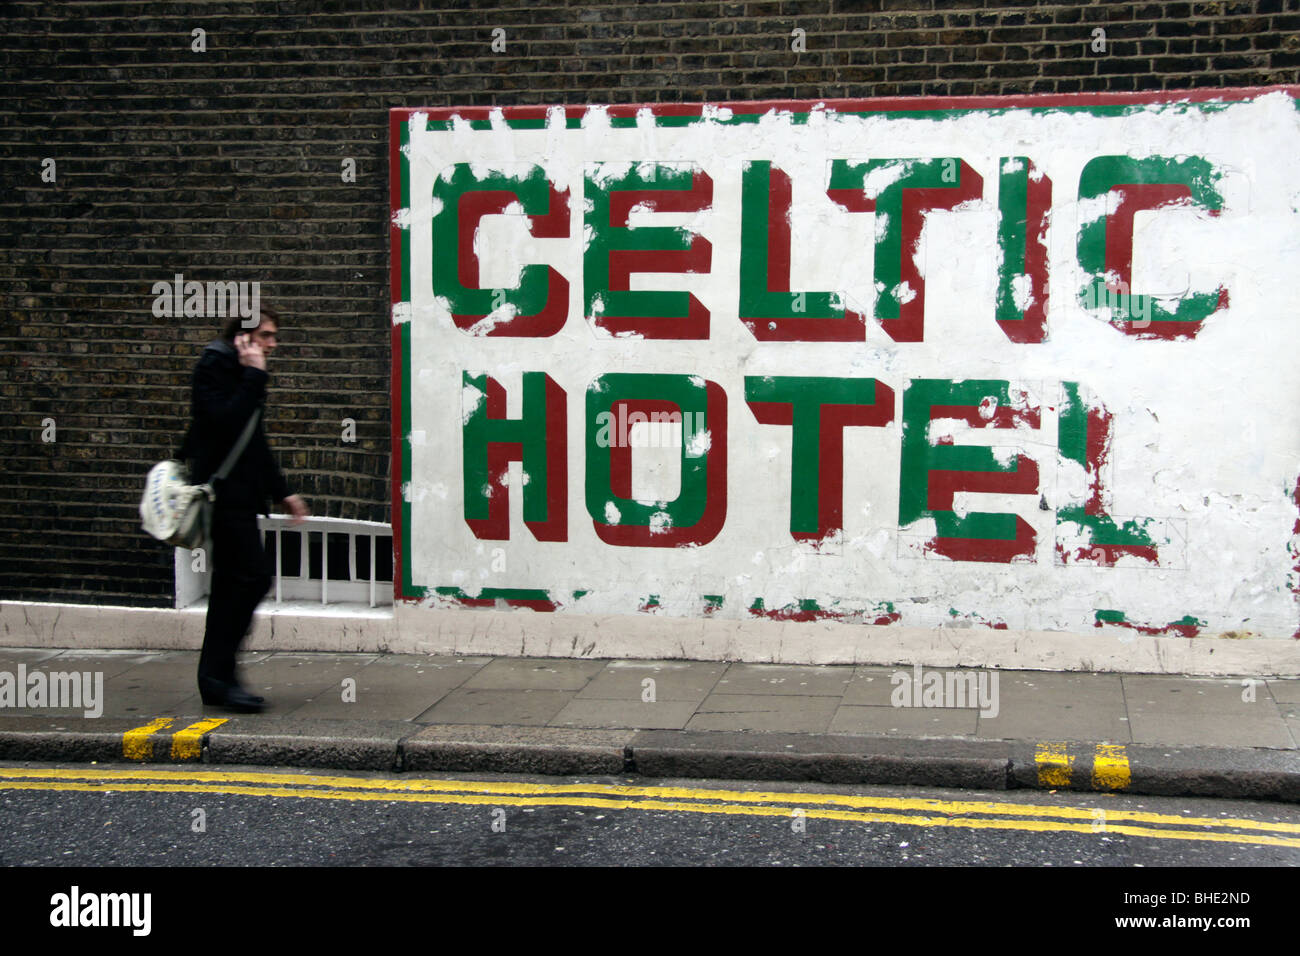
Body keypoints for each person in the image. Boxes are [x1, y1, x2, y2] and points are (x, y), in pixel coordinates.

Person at [184, 305, 308, 712]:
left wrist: (282, 492)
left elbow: (254, 441)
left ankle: (219, 677)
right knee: (248, 580)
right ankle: (218, 678)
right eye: (267, 335)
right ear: (245, 336)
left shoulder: (238, 370)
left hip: (239, 497)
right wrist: (254, 375)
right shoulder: (214, 366)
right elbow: (223, 423)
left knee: (236, 585)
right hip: (221, 498)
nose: (273, 344)